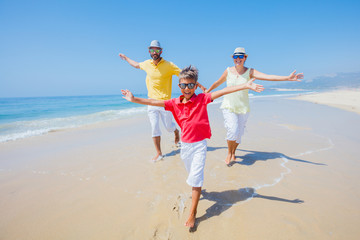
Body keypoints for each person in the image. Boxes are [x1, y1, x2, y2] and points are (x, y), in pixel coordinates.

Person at [121, 65, 264, 228]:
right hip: (185, 147)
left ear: (196, 86)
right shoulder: (174, 103)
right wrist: (133, 99)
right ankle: (200, 191)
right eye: (183, 85)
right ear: (179, 86)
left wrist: (245, 85)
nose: (187, 88)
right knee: (192, 176)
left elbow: (223, 91)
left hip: (200, 146)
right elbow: (153, 101)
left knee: (196, 179)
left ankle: (192, 213)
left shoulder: (202, 99)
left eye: (190, 85)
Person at [205, 47, 304, 166]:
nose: (238, 59)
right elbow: (217, 82)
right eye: (235, 56)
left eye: (241, 56)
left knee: (239, 134)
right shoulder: (228, 71)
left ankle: (233, 152)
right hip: (229, 106)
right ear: (232, 58)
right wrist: (208, 92)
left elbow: (269, 76)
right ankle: (229, 153)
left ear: (245, 58)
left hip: (243, 107)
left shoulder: (250, 72)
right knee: (232, 130)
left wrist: (287, 78)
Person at [119, 40, 181, 162]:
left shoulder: (169, 65)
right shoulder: (147, 64)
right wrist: (126, 58)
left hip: (165, 103)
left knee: (168, 127)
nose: (154, 52)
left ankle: (176, 132)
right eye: (152, 50)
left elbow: (184, 75)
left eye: (157, 50)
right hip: (151, 102)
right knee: (154, 128)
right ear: (149, 51)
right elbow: (136, 65)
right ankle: (159, 153)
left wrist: (198, 86)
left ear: (161, 51)